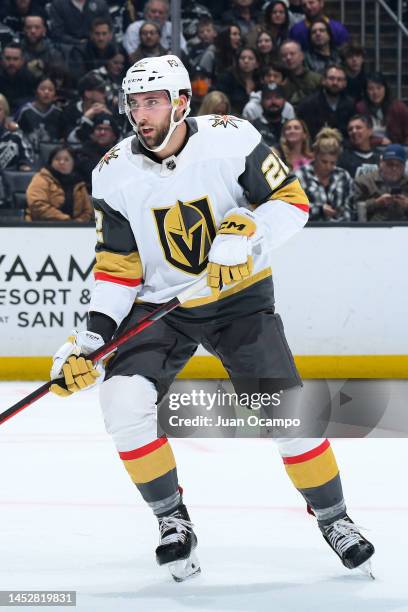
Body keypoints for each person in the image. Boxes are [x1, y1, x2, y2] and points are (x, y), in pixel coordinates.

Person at [49, 54, 374, 582]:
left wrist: (247, 231)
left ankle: (335, 518)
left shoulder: (233, 138)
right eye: (133, 103)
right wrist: (90, 340)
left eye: (152, 102)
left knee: (289, 415)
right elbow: (116, 268)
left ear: (181, 103)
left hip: (239, 298)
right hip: (160, 309)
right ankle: (172, 521)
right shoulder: (111, 173)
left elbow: (292, 202)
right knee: (122, 401)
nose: (140, 114)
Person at [296, 127, 354, 221]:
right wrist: (319, 210)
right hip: (309, 230)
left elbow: (350, 207)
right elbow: (295, 208)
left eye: (332, 163)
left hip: (340, 230)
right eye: (324, 162)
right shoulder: (301, 175)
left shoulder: (343, 176)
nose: (328, 166)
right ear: (315, 155)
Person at [26, 145, 93, 221]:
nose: (62, 162)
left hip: (75, 228)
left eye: (66, 160)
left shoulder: (79, 183)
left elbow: (87, 211)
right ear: (51, 162)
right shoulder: (41, 178)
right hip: (43, 226)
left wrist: (77, 223)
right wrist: (66, 221)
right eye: (57, 159)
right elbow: (37, 205)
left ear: (73, 163)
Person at [296, 64, 355, 140]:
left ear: (345, 83)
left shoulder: (350, 104)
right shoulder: (308, 104)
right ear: (323, 80)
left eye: (339, 79)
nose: (335, 83)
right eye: (331, 78)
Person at [354, 144, 408, 222]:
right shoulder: (364, 182)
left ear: (404, 166)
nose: (394, 168)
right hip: (372, 229)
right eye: (390, 164)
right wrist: (376, 203)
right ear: (381, 163)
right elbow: (354, 210)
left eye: (399, 165)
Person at [356, 72, 408, 146]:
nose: (375, 92)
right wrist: (378, 141)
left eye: (379, 88)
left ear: (385, 89)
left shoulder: (398, 107)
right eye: (371, 89)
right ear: (366, 91)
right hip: (369, 148)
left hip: (396, 148)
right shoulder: (360, 108)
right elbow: (358, 135)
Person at [123, 0, 187, 57]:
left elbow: (183, 50)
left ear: (166, 15)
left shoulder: (172, 28)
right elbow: (132, 55)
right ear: (146, 13)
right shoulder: (134, 28)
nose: (157, 15)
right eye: (153, 11)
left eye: (161, 12)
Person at [16, 77, 65, 153]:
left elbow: (63, 138)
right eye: (42, 89)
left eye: (50, 90)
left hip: (52, 155)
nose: (46, 92)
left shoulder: (59, 113)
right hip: (29, 153)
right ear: (35, 91)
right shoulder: (25, 112)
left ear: (55, 94)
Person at [76, 112, 120, 190]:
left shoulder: (121, 154)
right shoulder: (81, 153)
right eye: (99, 128)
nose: (102, 132)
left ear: (114, 136)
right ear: (92, 134)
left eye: (107, 129)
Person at [214, 46, 261, 115]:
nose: (246, 61)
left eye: (250, 58)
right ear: (237, 62)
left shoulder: (260, 81)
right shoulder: (227, 78)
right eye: (242, 58)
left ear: (257, 64)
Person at [20, 14, 64, 81]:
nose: (33, 31)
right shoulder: (17, 50)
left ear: (44, 30)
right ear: (24, 30)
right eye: (28, 27)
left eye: (37, 27)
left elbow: (59, 77)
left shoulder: (54, 51)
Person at [279, 39, 321, 107]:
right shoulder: (279, 81)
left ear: (302, 56)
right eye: (284, 55)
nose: (288, 58)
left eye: (292, 54)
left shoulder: (317, 79)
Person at [0, 42, 38, 114]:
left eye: (15, 59)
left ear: (22, 61)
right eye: (7, 58)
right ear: (1, 60)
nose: (11, 63)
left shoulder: (30, 77)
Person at [0, 93, 34, 172]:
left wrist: (23, 165)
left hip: (8, 181)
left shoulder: (16, 136)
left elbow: (28, 160)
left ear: (5, 113)